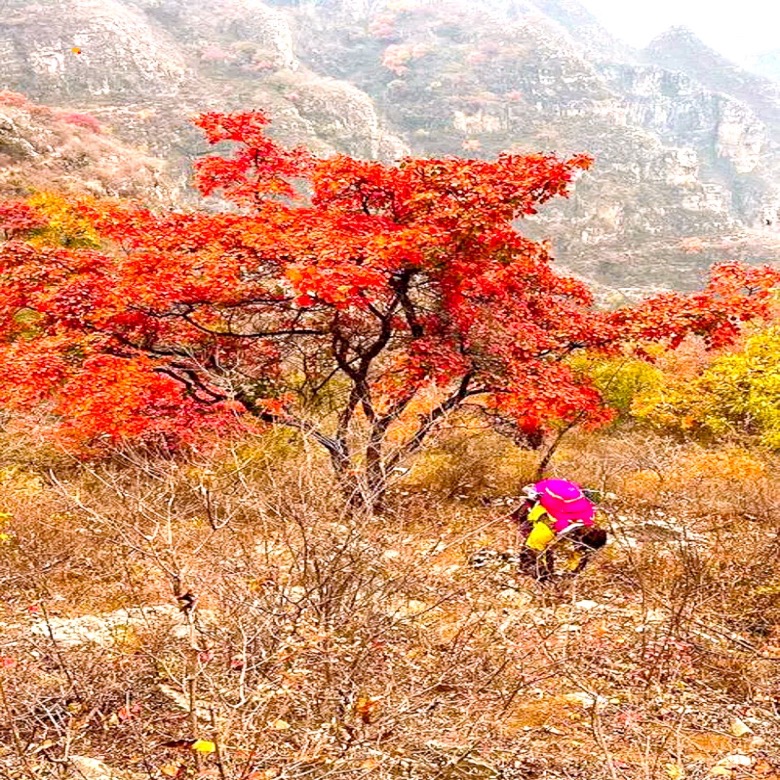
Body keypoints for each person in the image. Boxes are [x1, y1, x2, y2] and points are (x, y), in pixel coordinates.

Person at [511, 478, 608, 581]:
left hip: (554, 500)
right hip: (544, 514)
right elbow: (531, 551)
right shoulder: (549, 529)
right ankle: (534, 574)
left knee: (542, 548)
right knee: (534, 549)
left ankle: (542, 571)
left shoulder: (588, 519)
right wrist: (545, 577)